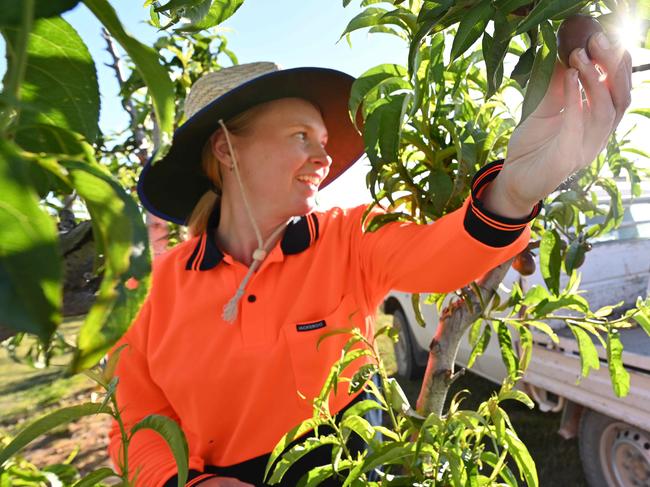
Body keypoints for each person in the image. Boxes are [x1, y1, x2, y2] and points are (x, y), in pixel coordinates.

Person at [108, 31, 632, 487]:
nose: (324, 156)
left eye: (322, 140)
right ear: (226, 149)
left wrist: (513, 196)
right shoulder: (154, 290)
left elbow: (442, 255)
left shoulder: (346, 238)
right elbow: (135, 420)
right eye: (300, 137)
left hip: (353, 468)